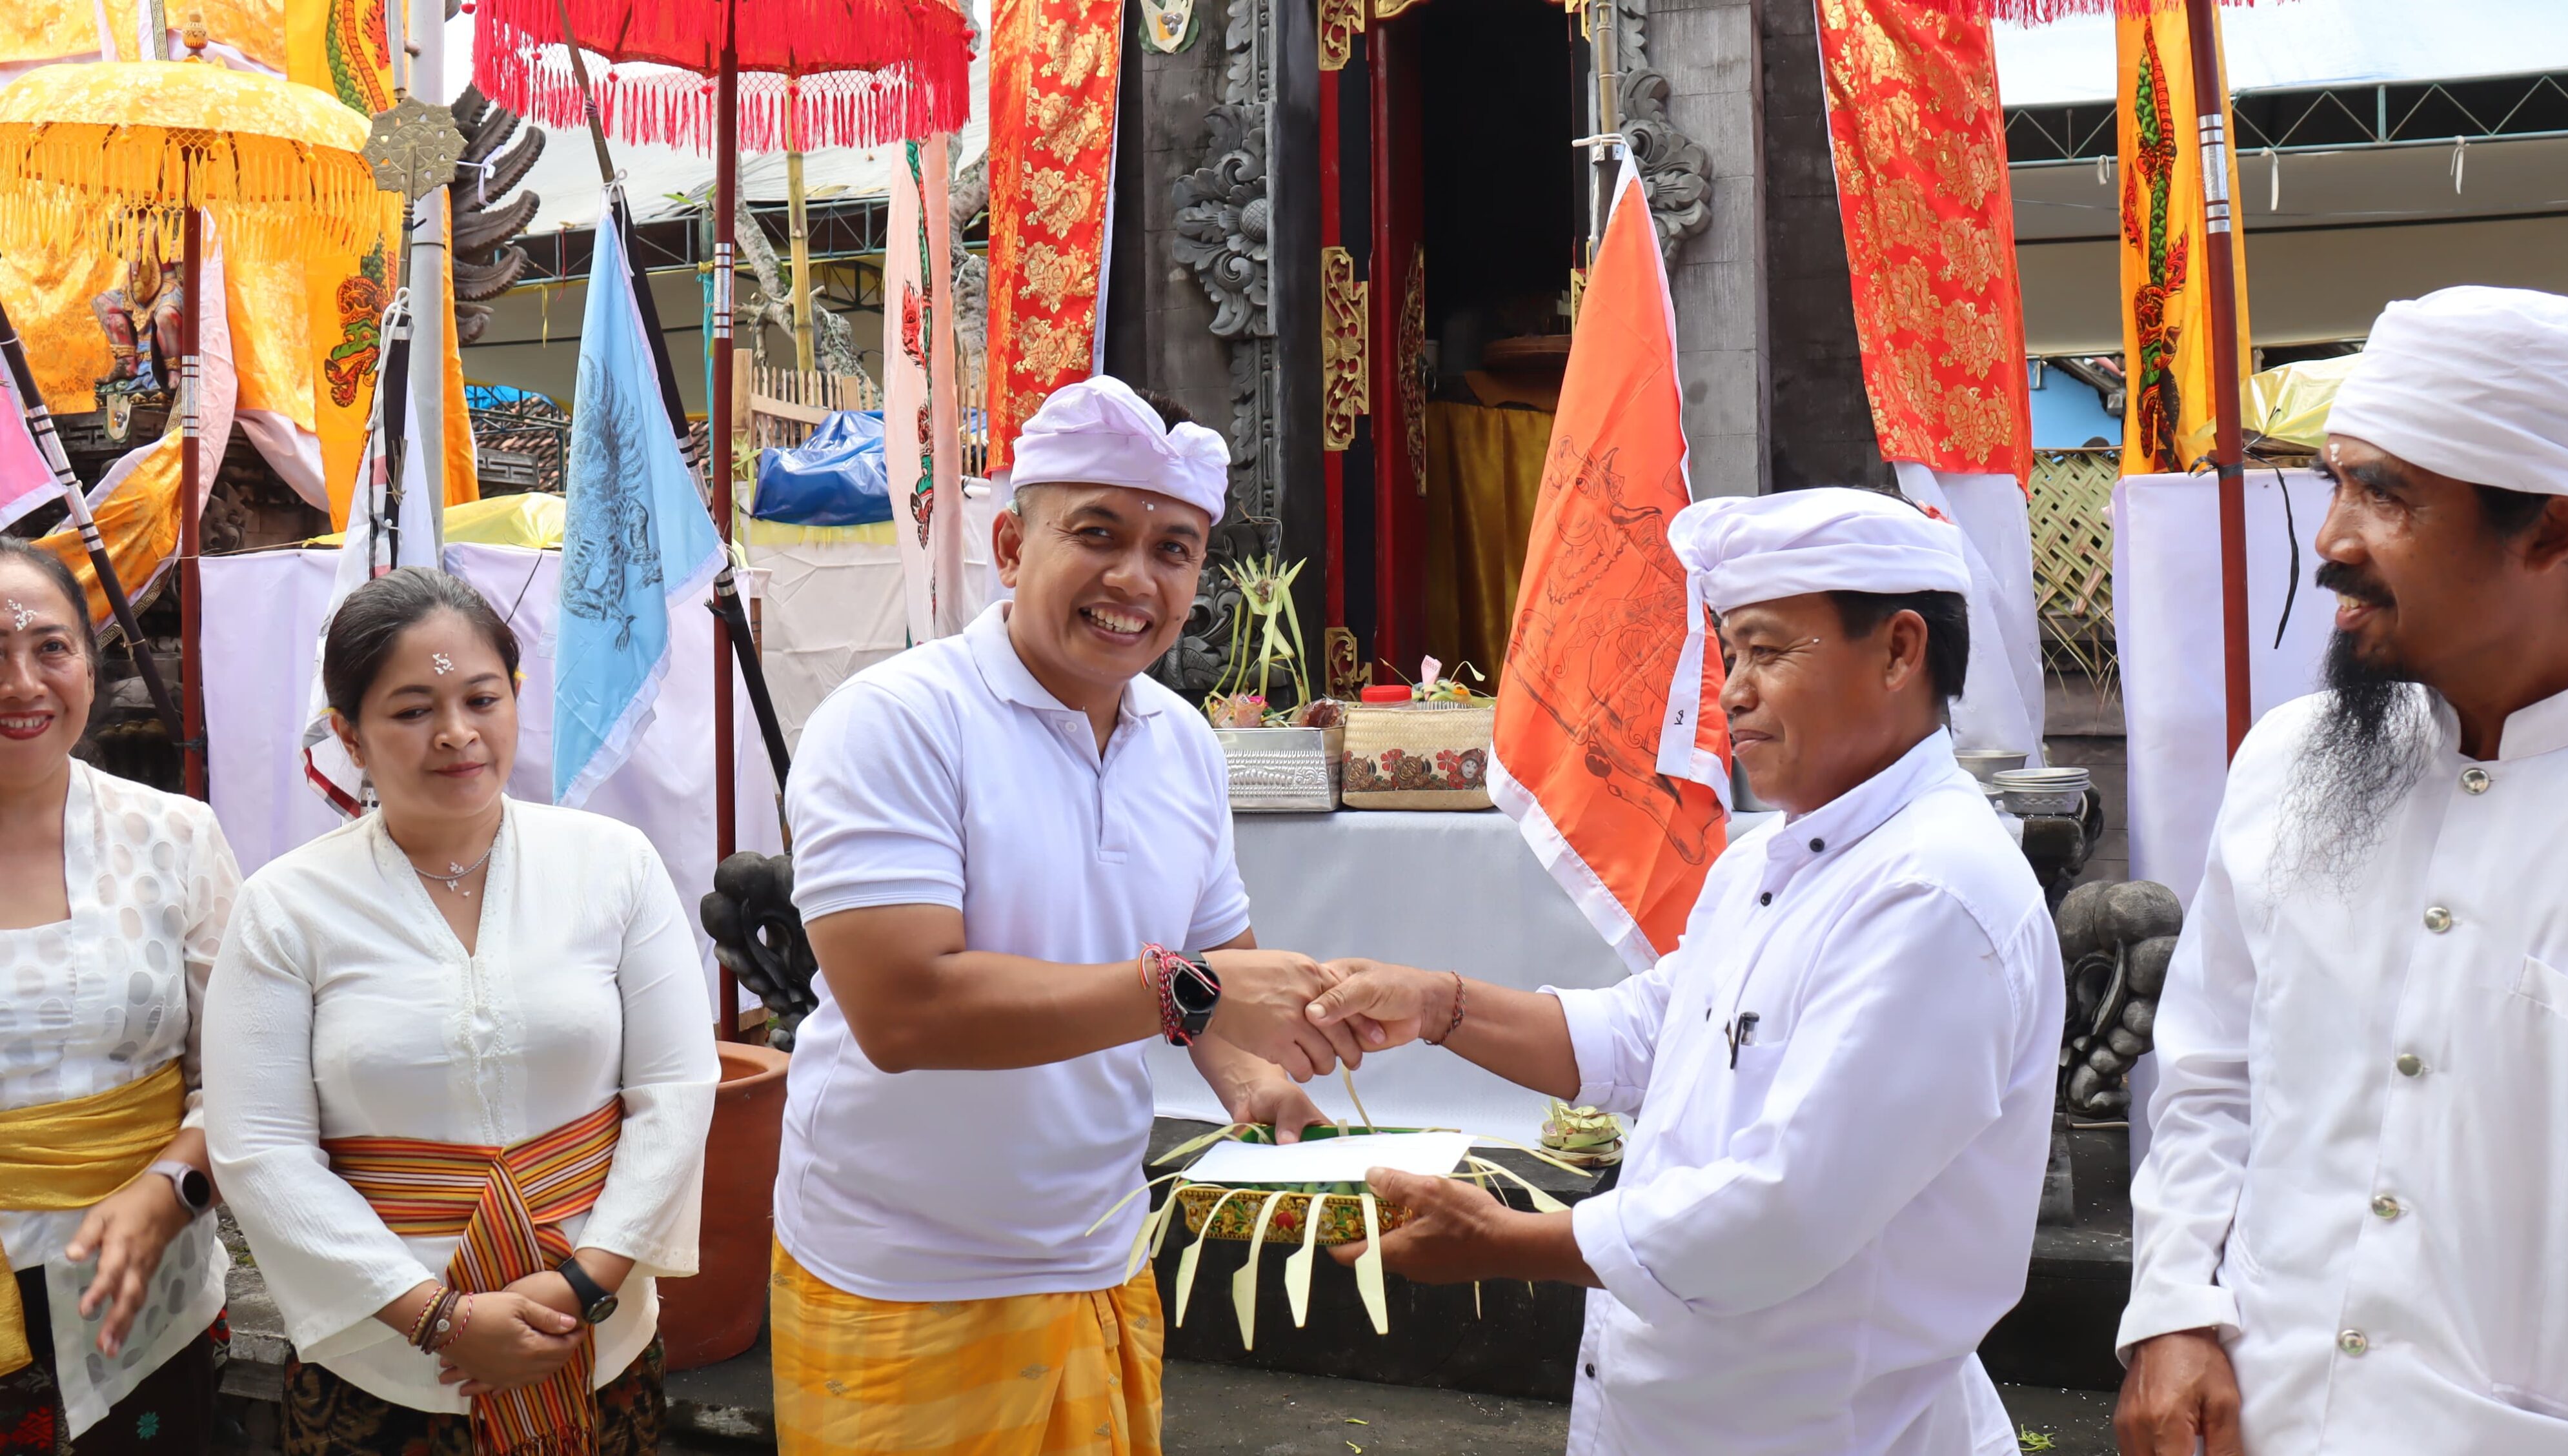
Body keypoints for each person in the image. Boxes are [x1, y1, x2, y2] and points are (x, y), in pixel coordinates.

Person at [1307, 488, 2061, 1455]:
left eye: (1770, 650)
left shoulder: (1935, 892)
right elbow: (1649, 1036)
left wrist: (1509, 1243)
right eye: (1730, 654)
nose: (1734, 690)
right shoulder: (1767, 861)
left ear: (1900, 651)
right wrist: (1436, 1005)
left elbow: (1787, 1205)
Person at [767, 375, 1360, 1455]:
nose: (1135, 579)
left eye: (1174, 549)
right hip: (905, 1270)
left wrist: (1256, 1083)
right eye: (1098, 534)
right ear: (1009, 545)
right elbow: (908, 1013)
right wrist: (1201, 992)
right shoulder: (895, 724)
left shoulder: (1180, 739)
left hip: (1098, 1248)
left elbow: (1212, 960)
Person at [2116, 287, 2568, 1453]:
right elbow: (2212, 1072)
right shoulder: (2286, 765)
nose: (2331, 539)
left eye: (2386, 494)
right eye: (2337, 480)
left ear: (2553, 530)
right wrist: (2174, 1311)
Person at [204, 568, 718, 1456]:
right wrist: (438, 1317)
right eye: (410, 711)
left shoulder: (613, 866)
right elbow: (262, 1151)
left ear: (515, 697)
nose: (456, 734)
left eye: (481, 697)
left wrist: (585, 1284)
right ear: (349, 738)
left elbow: (675, 1089)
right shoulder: (287, 907)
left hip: (594, 1338)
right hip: (381, 1357)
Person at [0, 540, 236, 1455]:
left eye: (50, 648)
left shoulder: (175, 837)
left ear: (90, 669)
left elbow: (251, 1073)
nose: (23, 683)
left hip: (145, 1286)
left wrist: (170, 1189)